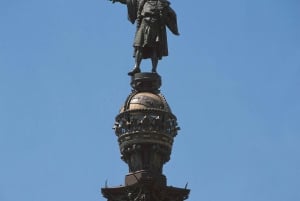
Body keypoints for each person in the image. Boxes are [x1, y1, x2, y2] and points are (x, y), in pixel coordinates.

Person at [109, 0, 179, 75]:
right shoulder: (142, 1)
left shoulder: (163, 3)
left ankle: (154, 69)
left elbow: (172, 14)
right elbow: (130, 1)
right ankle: (136, 67)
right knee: (139, 46)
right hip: (144, 22)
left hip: (156, 24)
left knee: (154, 48)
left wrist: (172, 26)